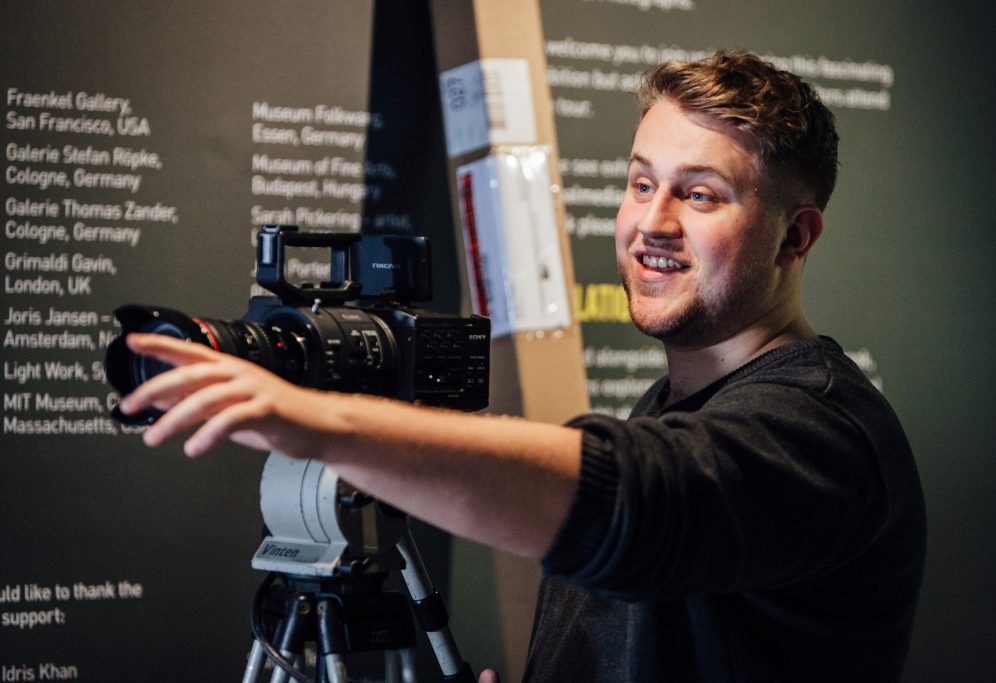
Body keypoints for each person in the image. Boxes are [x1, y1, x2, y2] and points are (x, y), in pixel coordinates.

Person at [118, 50, 926, 682]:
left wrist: (319, 422)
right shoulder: (671, 404)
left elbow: (636, 502)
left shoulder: (823, 431)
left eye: (701, 195)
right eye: (641, 182)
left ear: (795, 237)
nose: (651, 221)